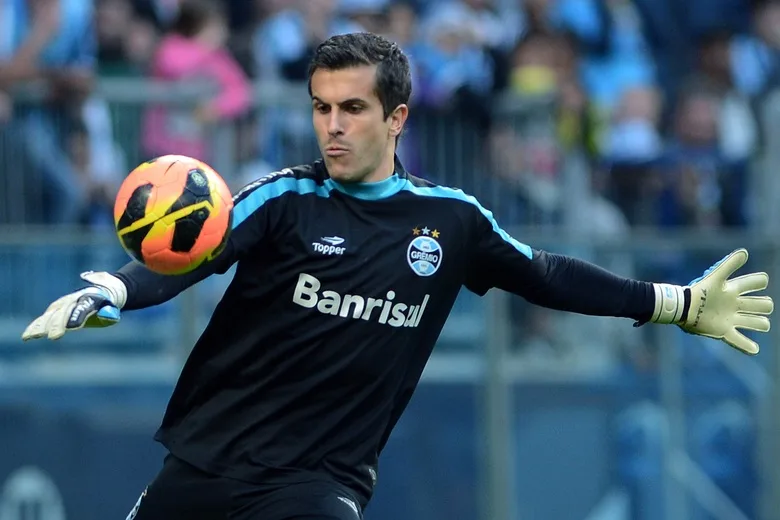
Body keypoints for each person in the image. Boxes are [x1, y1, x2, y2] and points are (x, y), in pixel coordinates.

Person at [21, 32, 773, 520]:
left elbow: (545, 275)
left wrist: (674, 302)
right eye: (321, 108)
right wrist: (112, 290)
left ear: (398, 117)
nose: (333, 126)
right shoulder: (285, 198)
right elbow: (183, 259)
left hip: (320, 483)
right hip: (207, 464)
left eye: (352, 108)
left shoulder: (452, 222)